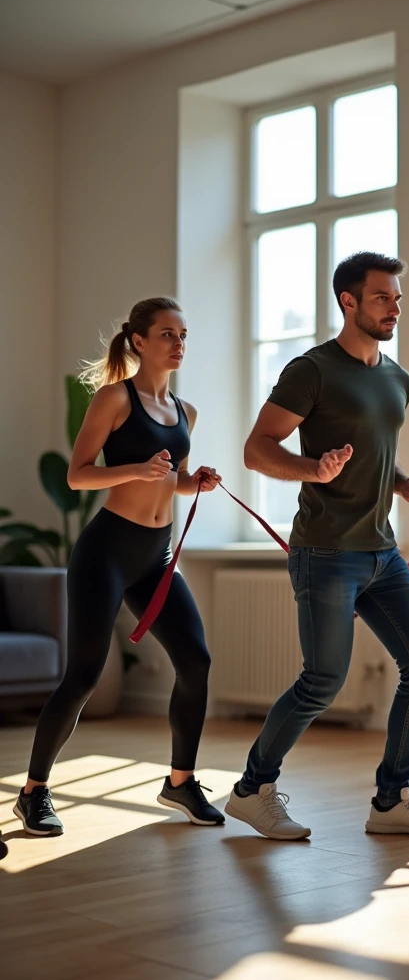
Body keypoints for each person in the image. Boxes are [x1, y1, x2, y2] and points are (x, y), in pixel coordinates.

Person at [224, 252, 409, 840]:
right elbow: (257, 449)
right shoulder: (313, 370)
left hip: (382, 553)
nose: (394, 308)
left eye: (398, 297)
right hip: (326, 552)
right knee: (323, 681)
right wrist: (313, 469)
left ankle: (391, 801)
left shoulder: (396, 377)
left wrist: (403, 482)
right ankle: (253, 790)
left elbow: (374, 451)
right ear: (348, 302)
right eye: (382, 297)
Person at [14, 297, 225, 836]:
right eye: (167, 334)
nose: (179, 344)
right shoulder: (114, 399)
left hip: (156, 555)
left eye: (183, 335)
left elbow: (167, 479)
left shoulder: (185, 411)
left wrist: (190, 481)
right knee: (84, 674)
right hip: (106, 551)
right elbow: (78, 476)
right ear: (139, 341)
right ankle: (34, 791)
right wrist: (134, 468)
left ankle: (180, 782)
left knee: (196, 660)